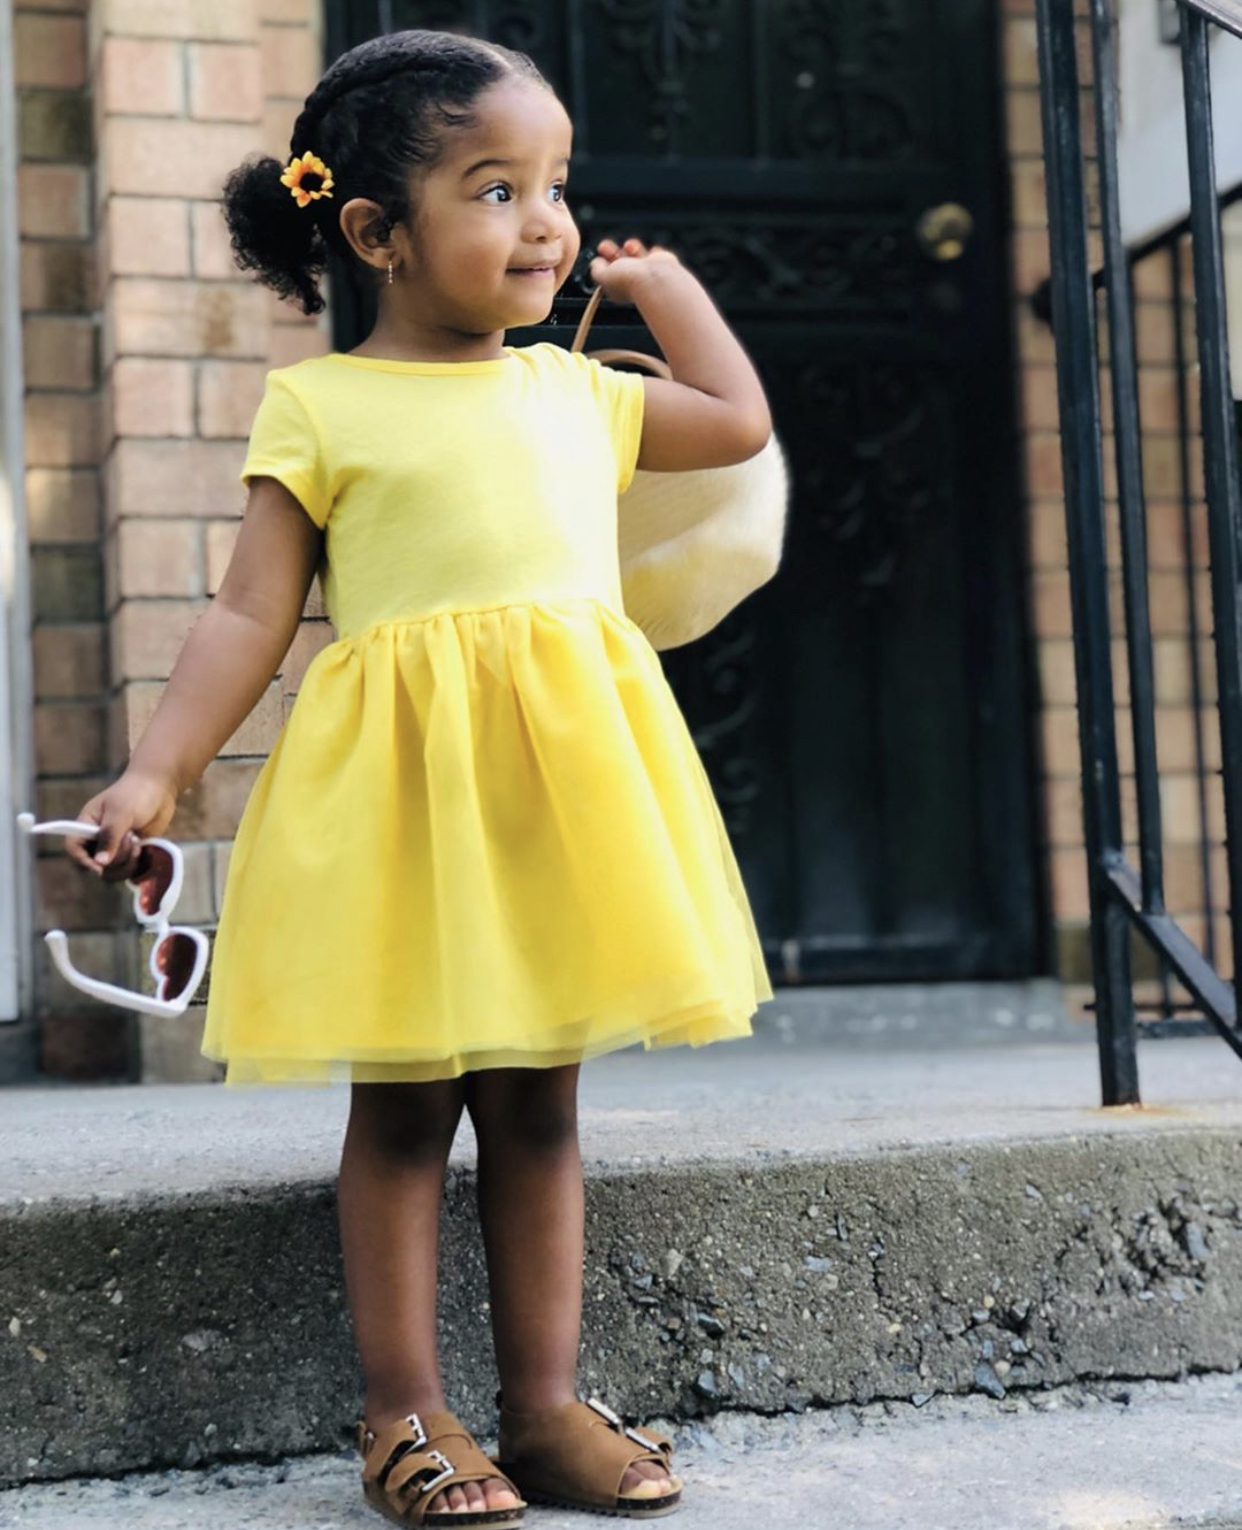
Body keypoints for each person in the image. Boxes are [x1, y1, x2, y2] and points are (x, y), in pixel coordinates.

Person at [64, 26, 773, 1527]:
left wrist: (669, 294)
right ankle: (404, 1411)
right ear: (379, 233)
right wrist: (155, 770)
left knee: (539, 1107)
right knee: (403, 1113)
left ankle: (544, 1407)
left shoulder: (577, 394)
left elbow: (736, 425)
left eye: (556, 187)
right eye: (496, 189)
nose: (545, 223)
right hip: (401, 803)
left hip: (553, 804)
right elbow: (249, 613)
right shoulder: (324, 406)